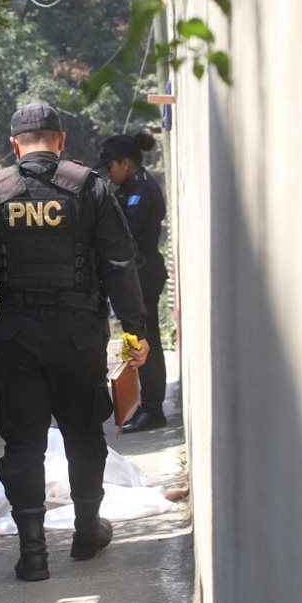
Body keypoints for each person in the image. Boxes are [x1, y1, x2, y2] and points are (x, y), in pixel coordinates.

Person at [0, 101, 150, 582]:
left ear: (14, 145)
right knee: (84, 435)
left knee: (23, 443)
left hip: (18, 335)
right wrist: (135, 331)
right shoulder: (91, 186)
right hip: (79, 334)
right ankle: (85, 532)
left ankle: (33, 551)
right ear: (61, 141)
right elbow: (120, 261)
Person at [94, 131, 170, 432]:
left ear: (125, 163)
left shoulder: (141, 190)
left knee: (145, 341)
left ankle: (153, 408)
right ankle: (141, 403)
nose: (109, 175)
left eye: (110, 167)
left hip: (144, 274)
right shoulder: (129, 189)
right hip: (134, 276)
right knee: (135, 340)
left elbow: (126, 234)